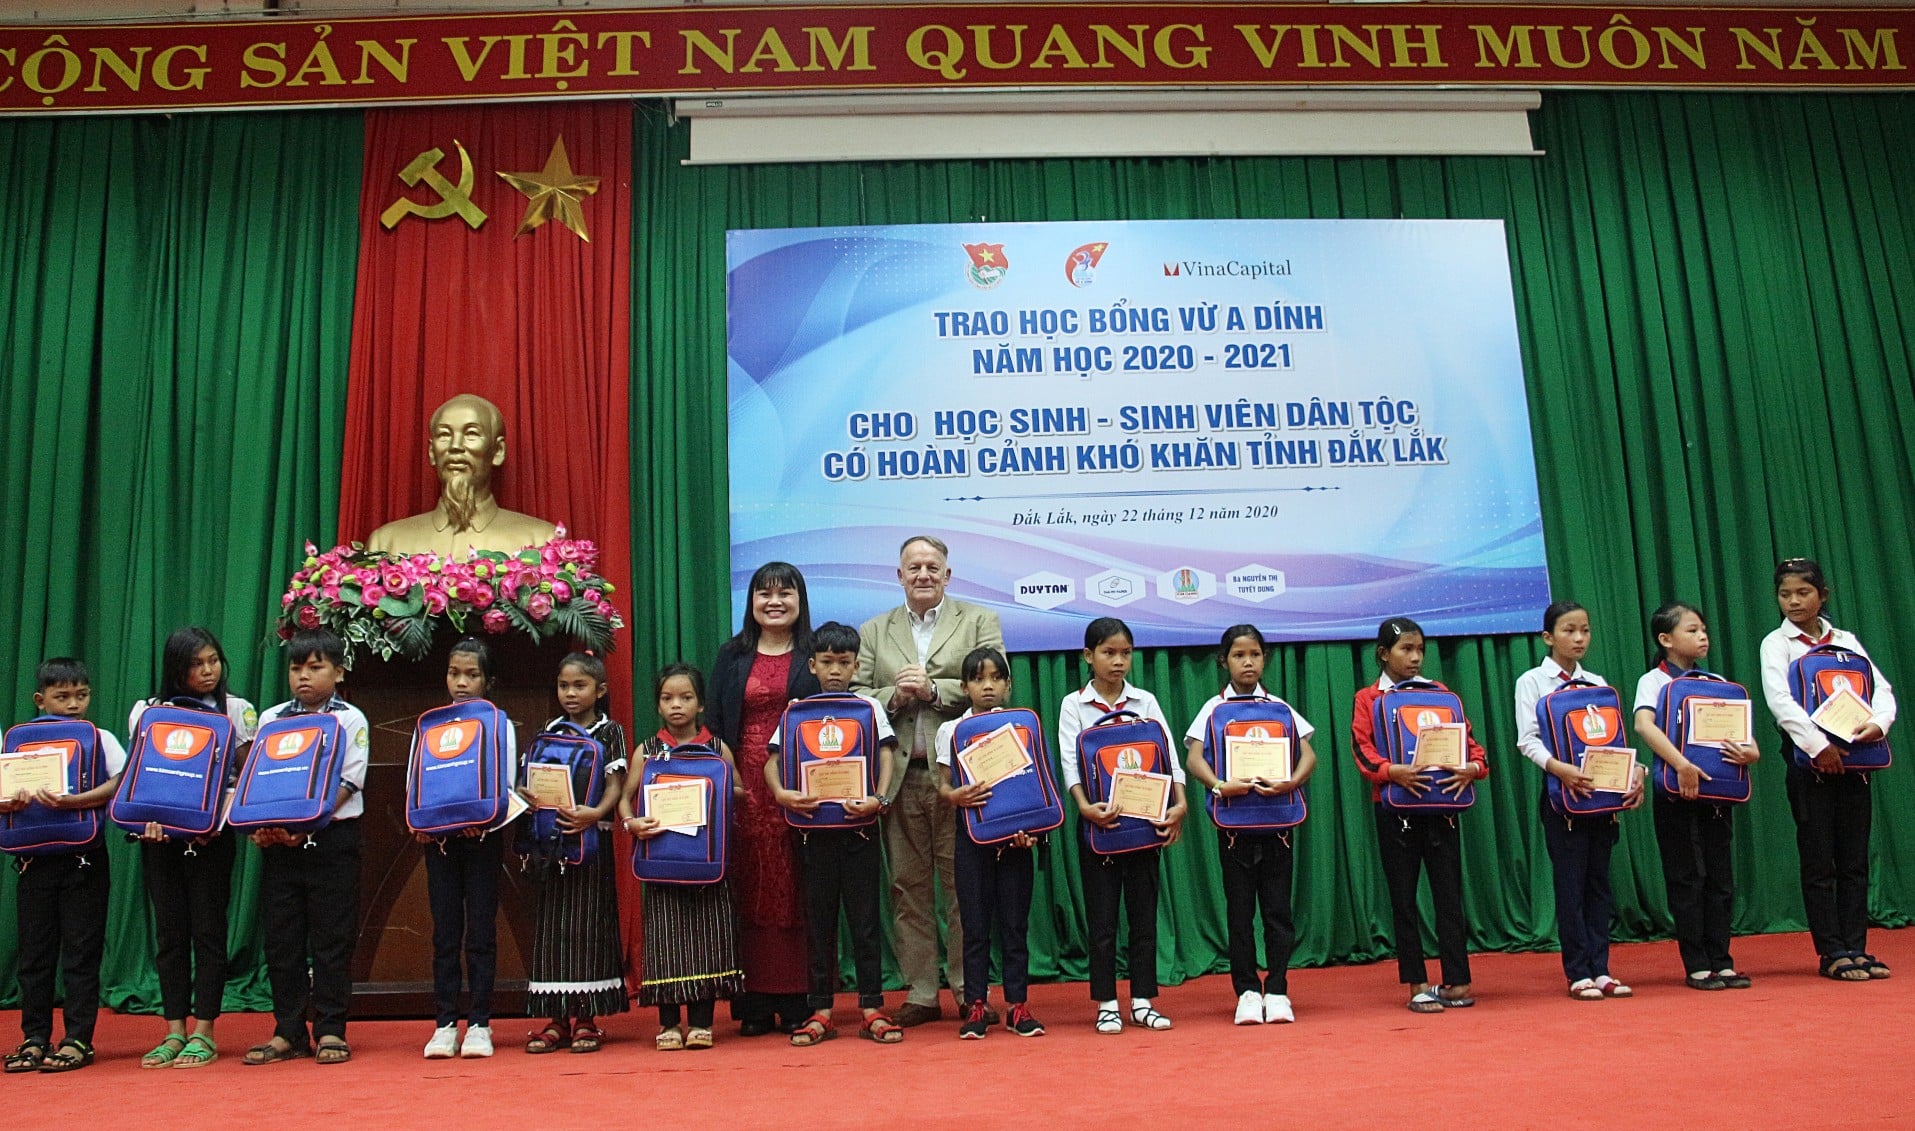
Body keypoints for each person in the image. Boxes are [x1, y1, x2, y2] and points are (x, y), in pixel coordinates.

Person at [854, 535, 1004, 1027]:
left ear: (947, 575)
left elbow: (996, 685)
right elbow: (857, 694)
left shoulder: (979, 621)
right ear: (899, 575)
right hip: (900, 778)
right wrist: (895, 697)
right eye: (914, 567)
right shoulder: (874, 630)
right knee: (907, 887)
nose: (923, 574)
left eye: (932, 567)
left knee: (964, 887)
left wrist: (935, 690)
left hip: (962, 780)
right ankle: (920, 991)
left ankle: (967, 988)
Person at [1758, 558, 1896, 982]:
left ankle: (1857, 946)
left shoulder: (1846, 641)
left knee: (1854, 858)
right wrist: (1820, 748)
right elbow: (1780, 702)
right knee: (1819, 859)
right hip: (1810, 764)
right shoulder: (1776, 644)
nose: (1794, 601)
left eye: (1803, 592)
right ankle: (1831, 951)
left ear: (1823, 594)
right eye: (1785, 594)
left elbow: (1880, 689)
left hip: (1856, 760)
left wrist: (1877, 725)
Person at [126, 627, 258, 1069]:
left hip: (212, 840)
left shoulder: (237, 710)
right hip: (159, 841)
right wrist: (148, 822)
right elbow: (142, 776)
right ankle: (173, 1031)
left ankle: (204, 1031)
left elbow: (247, 777)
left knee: (208, 932)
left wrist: (216, 819)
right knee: (169, 935)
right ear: (176, 669)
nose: (207, 671)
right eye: (196, 664)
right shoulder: (148, 712)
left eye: (213, 660)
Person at [767, 622, 903, 1046]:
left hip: (859, 832)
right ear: (812, 665)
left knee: (865, 923)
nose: (835, 670)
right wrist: (782, 794)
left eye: (844, 663)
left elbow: (886, 754)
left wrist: (879, 799)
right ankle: (821, 1010)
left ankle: (872, 1008)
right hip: (813, 834)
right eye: (826, 662)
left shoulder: (869, 707)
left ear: (856, 666)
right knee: (819, 924)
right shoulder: (797, 710)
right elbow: (772, 760)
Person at [241, 629, 370, 1067]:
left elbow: (349, 782)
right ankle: (288, 1031)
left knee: (332, 939)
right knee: (283, 942)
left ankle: (331, 1029)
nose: (304, 677)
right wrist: (264, 827)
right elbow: (261, 780)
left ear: (339, 672)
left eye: (316, 667)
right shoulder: (272, 719)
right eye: (297, 668)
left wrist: (308, 823)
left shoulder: (350, 719)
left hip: (332, 839)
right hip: (280, 844)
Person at [1351, 617, 1488, 1013]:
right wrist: (1391, 771)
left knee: (1449, 895)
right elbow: (1362, 749)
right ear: (1383, 654)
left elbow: (1473, 748)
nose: (1414, 658)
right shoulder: (1368, 698)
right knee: (1403, 898)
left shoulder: (1441, 695)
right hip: (1395, 810)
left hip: (1442, 808)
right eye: (1405, 650)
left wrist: (1473, 769)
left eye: (1420, 650)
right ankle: (1417, 985)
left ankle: (1457, 981)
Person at [1182, 624, 1315, 1026]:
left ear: (1264, 659)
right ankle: (1246, 991)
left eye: (1255, 654)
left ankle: (1277, 989)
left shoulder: (1279, 706)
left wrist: (1292, 782)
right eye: (1239, 655)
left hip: (1277, 825)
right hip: (1235, 828)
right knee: (1240, 913)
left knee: (1278, 912)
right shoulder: (1213, 708)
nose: (1248, 662)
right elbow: (1193, 759)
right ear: (1224, 661)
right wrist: (1219, 785)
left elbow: (1308, 754)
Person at [1058, 616, 1186, 1034]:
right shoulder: (1073, 705)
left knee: (1144, 917)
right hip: (1100, 826)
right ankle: (1107, 1003)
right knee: (1103, 921)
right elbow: (1070, 762)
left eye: (1125, 653)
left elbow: (1168, 754)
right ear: (1088, 655)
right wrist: (1084, 807)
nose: (1118, 661)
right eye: (1108, 653)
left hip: (1144, 825)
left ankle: (1143, 1000)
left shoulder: (1144, 701)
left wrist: (1180, 804)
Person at [705, 561, 817, 1034]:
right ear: (751, 602)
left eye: (784, 593)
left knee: (796, 885)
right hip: (742, 785)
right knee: (748, 883)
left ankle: (796, 997)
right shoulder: (731, 655)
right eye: (764, 593)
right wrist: (732, 778)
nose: (774, 602)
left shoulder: (815, 654)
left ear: (800, 600)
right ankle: (752, 1002)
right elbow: (714, 723)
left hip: (798, 784)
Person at [1, 659, 126, 1074]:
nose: (73, 704)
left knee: (81, 952)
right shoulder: (17, 741)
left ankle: (77, 1039)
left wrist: (79, 801)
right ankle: (34, 1038)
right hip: (32, 859)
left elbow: (121, 781)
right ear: (40, 699)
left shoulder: (100, 737)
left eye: (81, 695)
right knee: (34, 955)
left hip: (83, 859)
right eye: (62, 696)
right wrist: (9, 801)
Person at [1513, 602, 1640, 1001]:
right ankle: (1578, 972)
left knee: (1599, 885)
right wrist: (1560, 770)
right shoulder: (1532, 681)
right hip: (1561, 797)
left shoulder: (1596, 682)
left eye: (1585, 630)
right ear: (1548, 637)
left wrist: (1635, 772)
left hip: (1601, 798)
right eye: (1569, 631)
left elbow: (1613, 740)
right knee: (1571, 885)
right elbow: (1527, 741)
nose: (1579, 638)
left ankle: (1602, 970)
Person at [1633, 602, 1759, 990]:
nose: (1702, 636)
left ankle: (1722, 960)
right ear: (1665, 639)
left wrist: (1751, 751)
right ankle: (1697, 964)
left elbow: (1744, 735)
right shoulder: (1653, 681)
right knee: (1687, 877)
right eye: (1691, 630)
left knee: (1720, 877)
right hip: (1676, 791)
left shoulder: (1716, 680)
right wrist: (1681, 764)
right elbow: (1644, 726)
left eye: (1703, 629)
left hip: (1717, 792)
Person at [623, 664, 746, 1051]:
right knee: (665, 941)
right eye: (667, 698)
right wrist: (631, 823)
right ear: (658, 705)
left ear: (701, 705)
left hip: (707, 861)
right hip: (661, 859)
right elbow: (626, 798)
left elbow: (739, 791)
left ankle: (702, 1023)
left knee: (706, 939)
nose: (676, 705)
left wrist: (712, 789)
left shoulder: (717, 749)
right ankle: (669, 1024)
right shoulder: (648, 750)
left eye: (686, 697)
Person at [522, 652, 629, 1054]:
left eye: (579, 686)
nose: (570, 693)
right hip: (552, 843)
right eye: (564, 685)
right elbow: (534, 778)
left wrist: (596, 813)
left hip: (591, 841)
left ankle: (587, 1019)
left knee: (588, 928)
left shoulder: (609, 731)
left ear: (599, 691)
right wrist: (527, 796)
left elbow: (617, 784)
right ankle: (555, 1019)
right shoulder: (549, 730)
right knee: (553, 930)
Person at [937, 645, 1046, 1039]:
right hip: (972, 840)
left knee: (1015, 926)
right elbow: (943, 786)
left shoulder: (1023, 727)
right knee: (974, 927)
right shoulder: (951, 731)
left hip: (1016, 841)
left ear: (1008, 685)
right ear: (964, 686)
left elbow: (1036, 785)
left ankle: (1018, 1006)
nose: (988, 686)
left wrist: (1032, 831)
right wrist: (956, 796)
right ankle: (976, 1006)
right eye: (979, 679)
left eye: (996, 678)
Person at [421, 638, 519, 1058]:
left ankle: (480, 1022)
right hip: (440, 843)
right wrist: (423, 824)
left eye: (471, 675)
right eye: (453, 673)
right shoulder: (430, 725)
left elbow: (507, 786)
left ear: (488, 681)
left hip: (482, 840)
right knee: (445, 934)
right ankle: (445, 1023)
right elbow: (417, 783)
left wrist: (484, 820)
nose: (461, 683)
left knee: (480, 933)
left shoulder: (499, 724)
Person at [365, 392, 559, 557]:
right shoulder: (386, 544)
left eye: (471, 434)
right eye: (444, 435)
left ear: (498, 451)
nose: (455, 446)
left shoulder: (542, 542)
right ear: (432, 452)